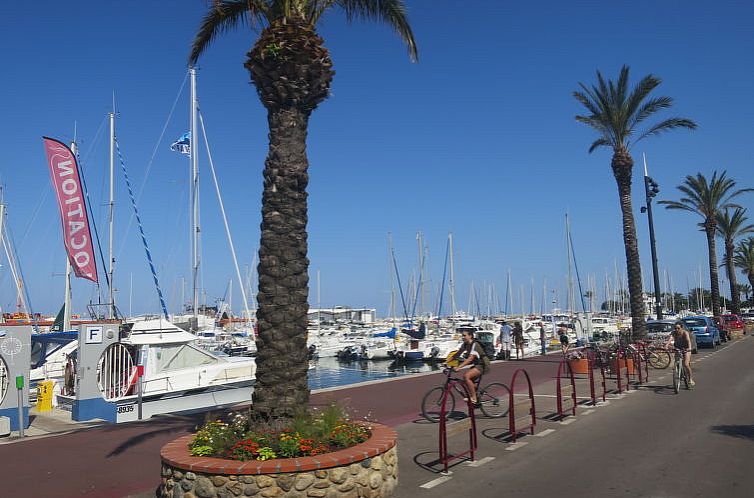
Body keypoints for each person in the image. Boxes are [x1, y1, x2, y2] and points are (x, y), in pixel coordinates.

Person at [452, 328, 490, 406]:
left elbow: (470, 359)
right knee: (468, 381)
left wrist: (459, 367)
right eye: (462, 335)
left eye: (464, 335)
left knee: (466, 376)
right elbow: (457, 354)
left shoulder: (475, 344)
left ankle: (474, 398)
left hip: (482, 364)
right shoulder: (465, 344)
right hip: (476, 364)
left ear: (470, 336)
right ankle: (477, 397)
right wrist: (446, 362)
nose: (463, 337)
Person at [665, 321, 694, 388]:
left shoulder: (685, 333)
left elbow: (688, 340)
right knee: (677, 361)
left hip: (686, 349)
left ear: (682, 328)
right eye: (675, 328)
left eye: (678, 328)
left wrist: (689, 348)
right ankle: (679, 373)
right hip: (678, 348)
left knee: (686, 364)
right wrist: (666, 345)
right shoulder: (673, 333)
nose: (677, 330)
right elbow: (670, 339)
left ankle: (690, 379)